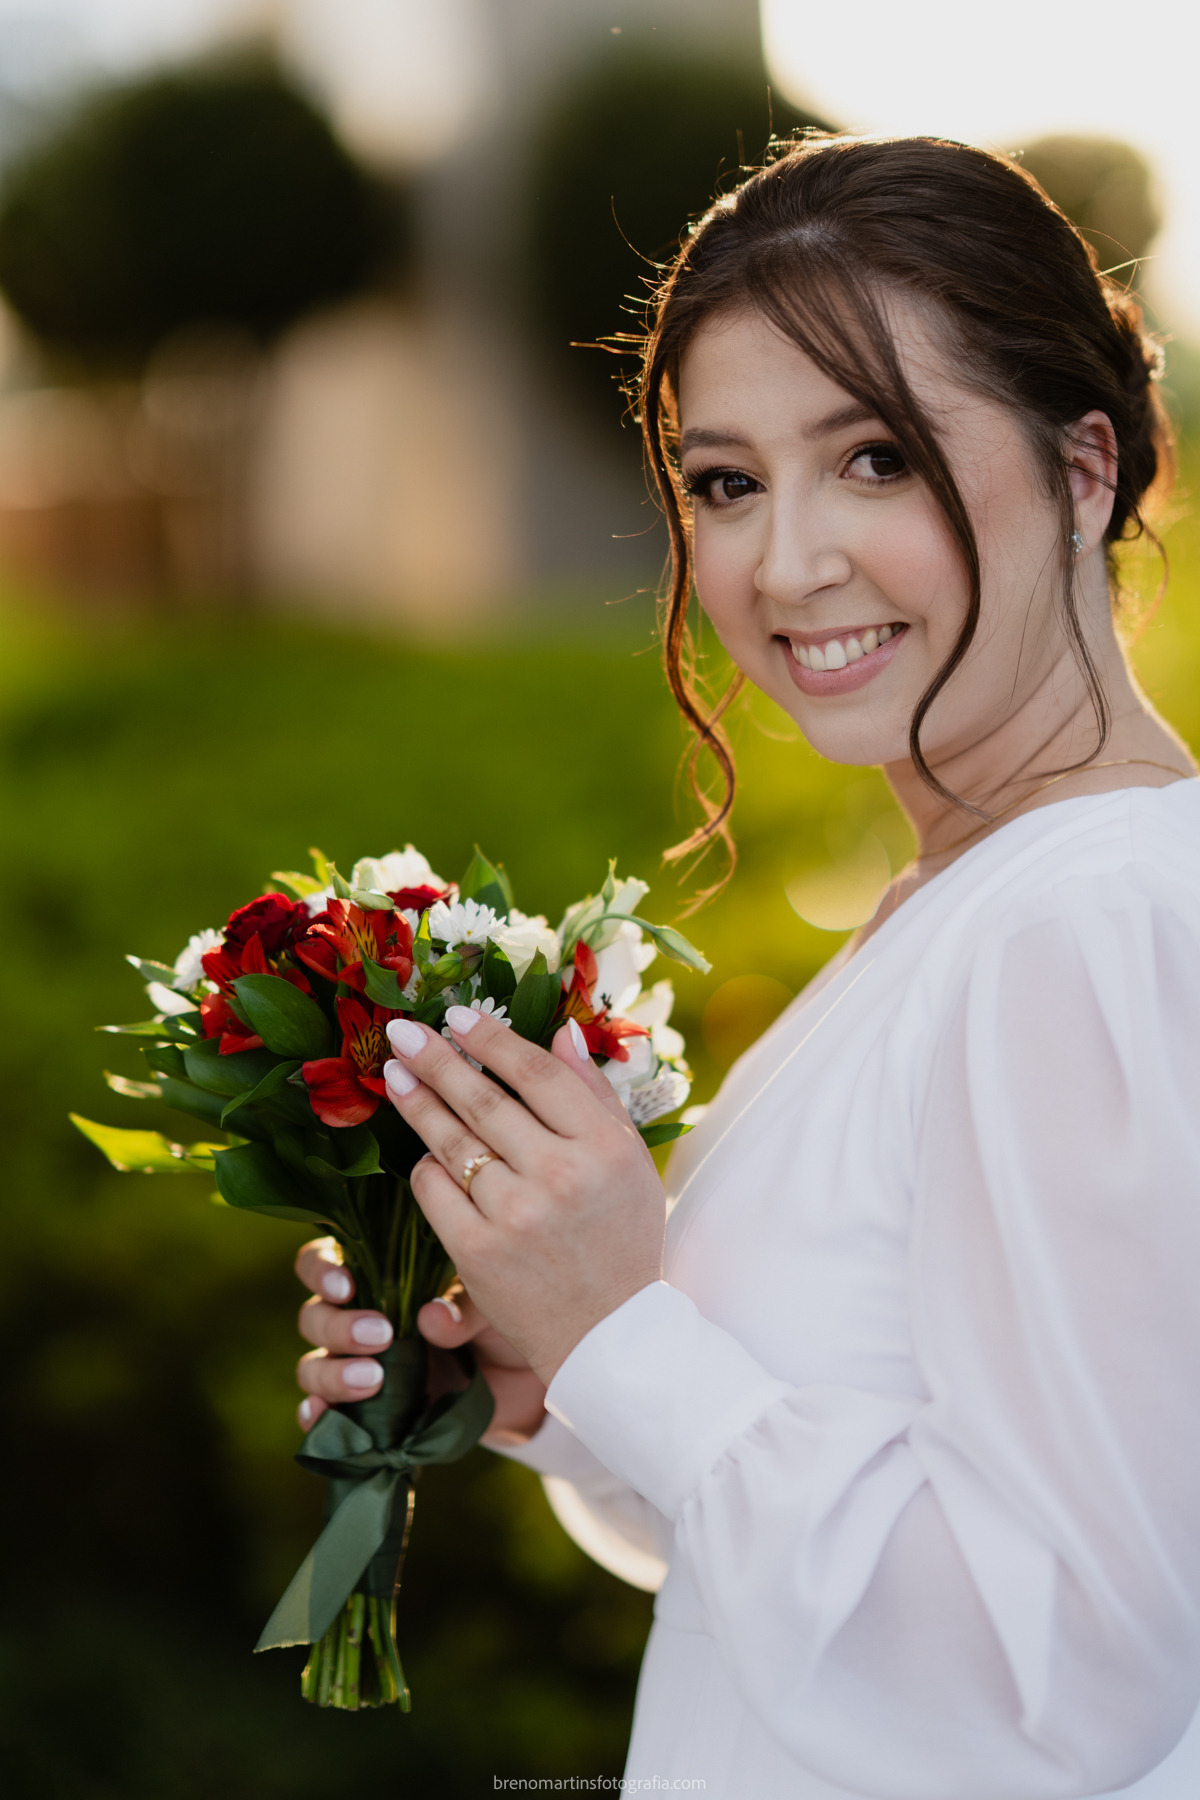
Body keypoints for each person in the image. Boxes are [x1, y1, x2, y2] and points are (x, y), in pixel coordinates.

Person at [287, 136, 1200, 1797]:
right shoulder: (969, 906)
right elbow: (811, 1561)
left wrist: (630, 1333)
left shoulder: (1082, 927)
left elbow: (1071, 1670)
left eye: (876, 459)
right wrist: (553, 1365)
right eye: (726, 482)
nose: (785, 565)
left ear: (1084, 469)